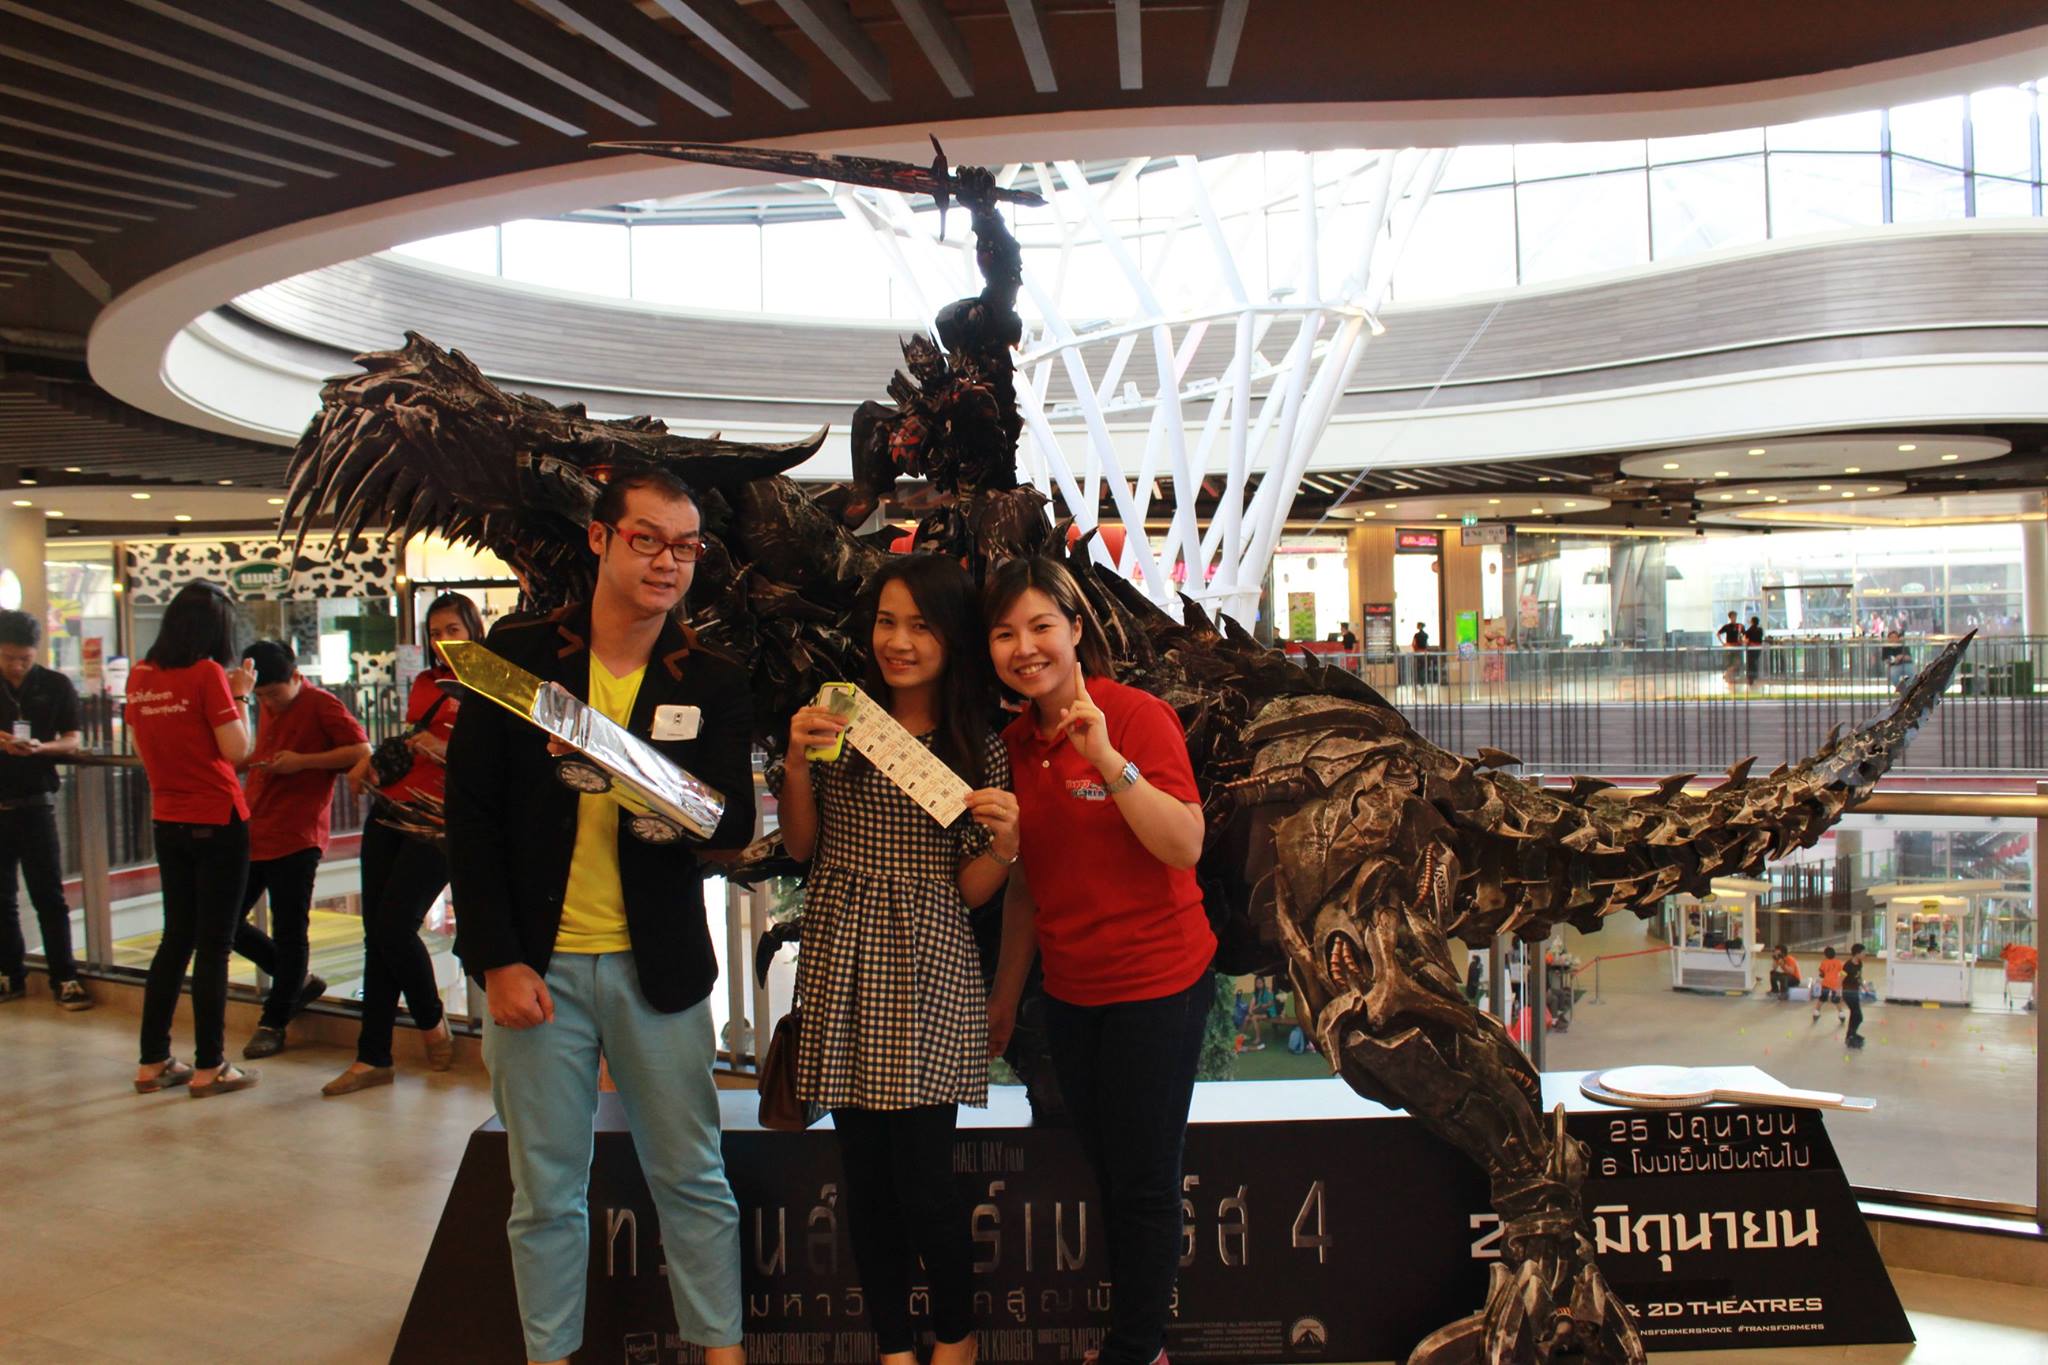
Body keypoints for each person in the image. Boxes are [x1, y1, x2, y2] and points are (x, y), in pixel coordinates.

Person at [445, 466, 755, 1365]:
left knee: (692, 1176)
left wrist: (638, 775)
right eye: (647, 539)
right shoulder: (519, 655)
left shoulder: (713, 675)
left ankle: (721, 1350)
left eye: (686, 547)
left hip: (658, 969)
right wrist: (496, 958)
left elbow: (731, 821)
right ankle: (551, 1355)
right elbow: (472, 815)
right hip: (537, 968)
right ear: (600, 538)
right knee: (545, 1190)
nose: (667, 562)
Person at [779, 555, 1017, 1365]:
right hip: (842, 952)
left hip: (930, 961)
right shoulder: (839, 718)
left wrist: (1007, 845)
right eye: (887, 621)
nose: (899, 641)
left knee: (924, 1178)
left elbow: (971, 889)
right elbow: (802, 846)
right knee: (866, 1180)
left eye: (920, 624)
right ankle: (891, 1346)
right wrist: (795, 762)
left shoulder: (978, 745)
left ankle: (955, 1336)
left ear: (952, 638)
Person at [985, 556, 1212, 1365]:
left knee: (1145, 1176)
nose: (1025, 647)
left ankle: (1138, 1348)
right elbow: (1025, 885)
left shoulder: (1137, 716)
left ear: (1076, 629)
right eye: (1005, 633)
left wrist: (1110, 760)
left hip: (1160, 985)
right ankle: (1136, 1340)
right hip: (1073, 994)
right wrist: (1005, 998)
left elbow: (1184, 843)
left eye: (1041, 625)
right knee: (1110, 1168)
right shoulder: (1013, 744)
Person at [325, 592, 480, 1096]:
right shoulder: (425, 681)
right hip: (391, 808)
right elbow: (413, 735)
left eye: (452, 629)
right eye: (435, 632)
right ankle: (372, 1056)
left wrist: (448, 749)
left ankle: (431, 1019)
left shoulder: (491, 683)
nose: (443, 640)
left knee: (393, 927)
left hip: (438, 821)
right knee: (376, 933)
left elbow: (501, 760)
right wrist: (373, 760)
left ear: (472, 629)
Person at [127, 581, 260, 1098]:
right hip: (217, 818)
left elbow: (141, 747)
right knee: (214, 945)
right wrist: (241, 694)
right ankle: (210, 1066)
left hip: (168, 819)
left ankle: (152, 1061)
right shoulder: (207, 675)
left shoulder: (140, 676)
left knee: (175, 939)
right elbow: (238, 751)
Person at [228, 640, 369, 1059]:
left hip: (298, 835)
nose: (269, 702)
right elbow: (254, 751)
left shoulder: (321, 704)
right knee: (224, 921)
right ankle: (298, 983)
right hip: (256, 828)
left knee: (290, 931)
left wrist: (301, 762)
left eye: (274, 693)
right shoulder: (263, 705)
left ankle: (274, 1021)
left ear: (295, 677)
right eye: (262, 695)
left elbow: (362, 750)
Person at [0, 609, 89, 1009]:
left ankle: (65, 977)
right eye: (8, 657)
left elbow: (73, 738)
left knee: (49, 895)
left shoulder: (55, 685)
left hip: (36, 802)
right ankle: (9, 974)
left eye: (24, 658)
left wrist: (41, 747)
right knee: (2, 898)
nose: (16, 666)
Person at [1842, 944, 1867, 1048]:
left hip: (1855, 992)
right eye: (1863, 953)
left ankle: (1850, 1036)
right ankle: (1851, 1035)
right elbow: (1840, 978)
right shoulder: (1847, 965)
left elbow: (1859, 977)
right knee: (1858, 1016)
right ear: (1857, 953)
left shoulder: (1859, 963)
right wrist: (1837, 992)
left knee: (1854, 1015)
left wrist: (1864, 987)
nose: (1865, 954)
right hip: (1848, 993)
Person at [1812, 945, 1845, 1024]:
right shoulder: (1838, 962)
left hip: (1826, 983)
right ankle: (1841, 1014)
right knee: (1836, 1000)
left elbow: (1821, 973)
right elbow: (1842, 973)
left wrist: (1824, 974)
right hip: (1835, 984)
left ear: (1825, 955)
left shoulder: (1824, 962)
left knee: (1822, 998)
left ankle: (1816, 1012)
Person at [1716, 611, 1743, 685]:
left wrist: (1741, 641)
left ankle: (1728, 674)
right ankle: (1729, 676)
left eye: (1735, 616)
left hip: (1737, 646)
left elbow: (1743, 635)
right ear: (1730, 617)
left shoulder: (1739, 626)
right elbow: (1718, 633)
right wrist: (1723, 643)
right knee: (1730, 661)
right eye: (1733, 616)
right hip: (1730, 646)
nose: (1734, 618)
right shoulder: (1727, 626)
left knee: (1737, 662)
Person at [1744, 615, 1765, 687]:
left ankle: (1751, 677)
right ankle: (1755, 675)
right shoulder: (1760, 629)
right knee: (1755, 661)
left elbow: (1746, 637)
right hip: (1758, 648)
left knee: (1750, 663)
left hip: (1751, 648)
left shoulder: (1750, 629)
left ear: (1752, 622)